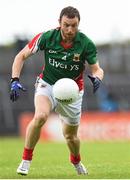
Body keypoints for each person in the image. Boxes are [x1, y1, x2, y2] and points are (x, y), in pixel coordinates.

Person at [10, 6, 104, 176]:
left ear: (78, 24)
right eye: (66, 25)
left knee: (70, 137)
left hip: (73, 93)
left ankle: (76, 161)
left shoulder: (86, 43)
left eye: (74, 25)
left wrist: (98, 78)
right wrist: (15, 80)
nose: (70, 30)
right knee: (40, 117)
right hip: (48, 84)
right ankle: (26, 160)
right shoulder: (47, 37)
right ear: (59, 22)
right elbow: (20, 56)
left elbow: (97, 69)